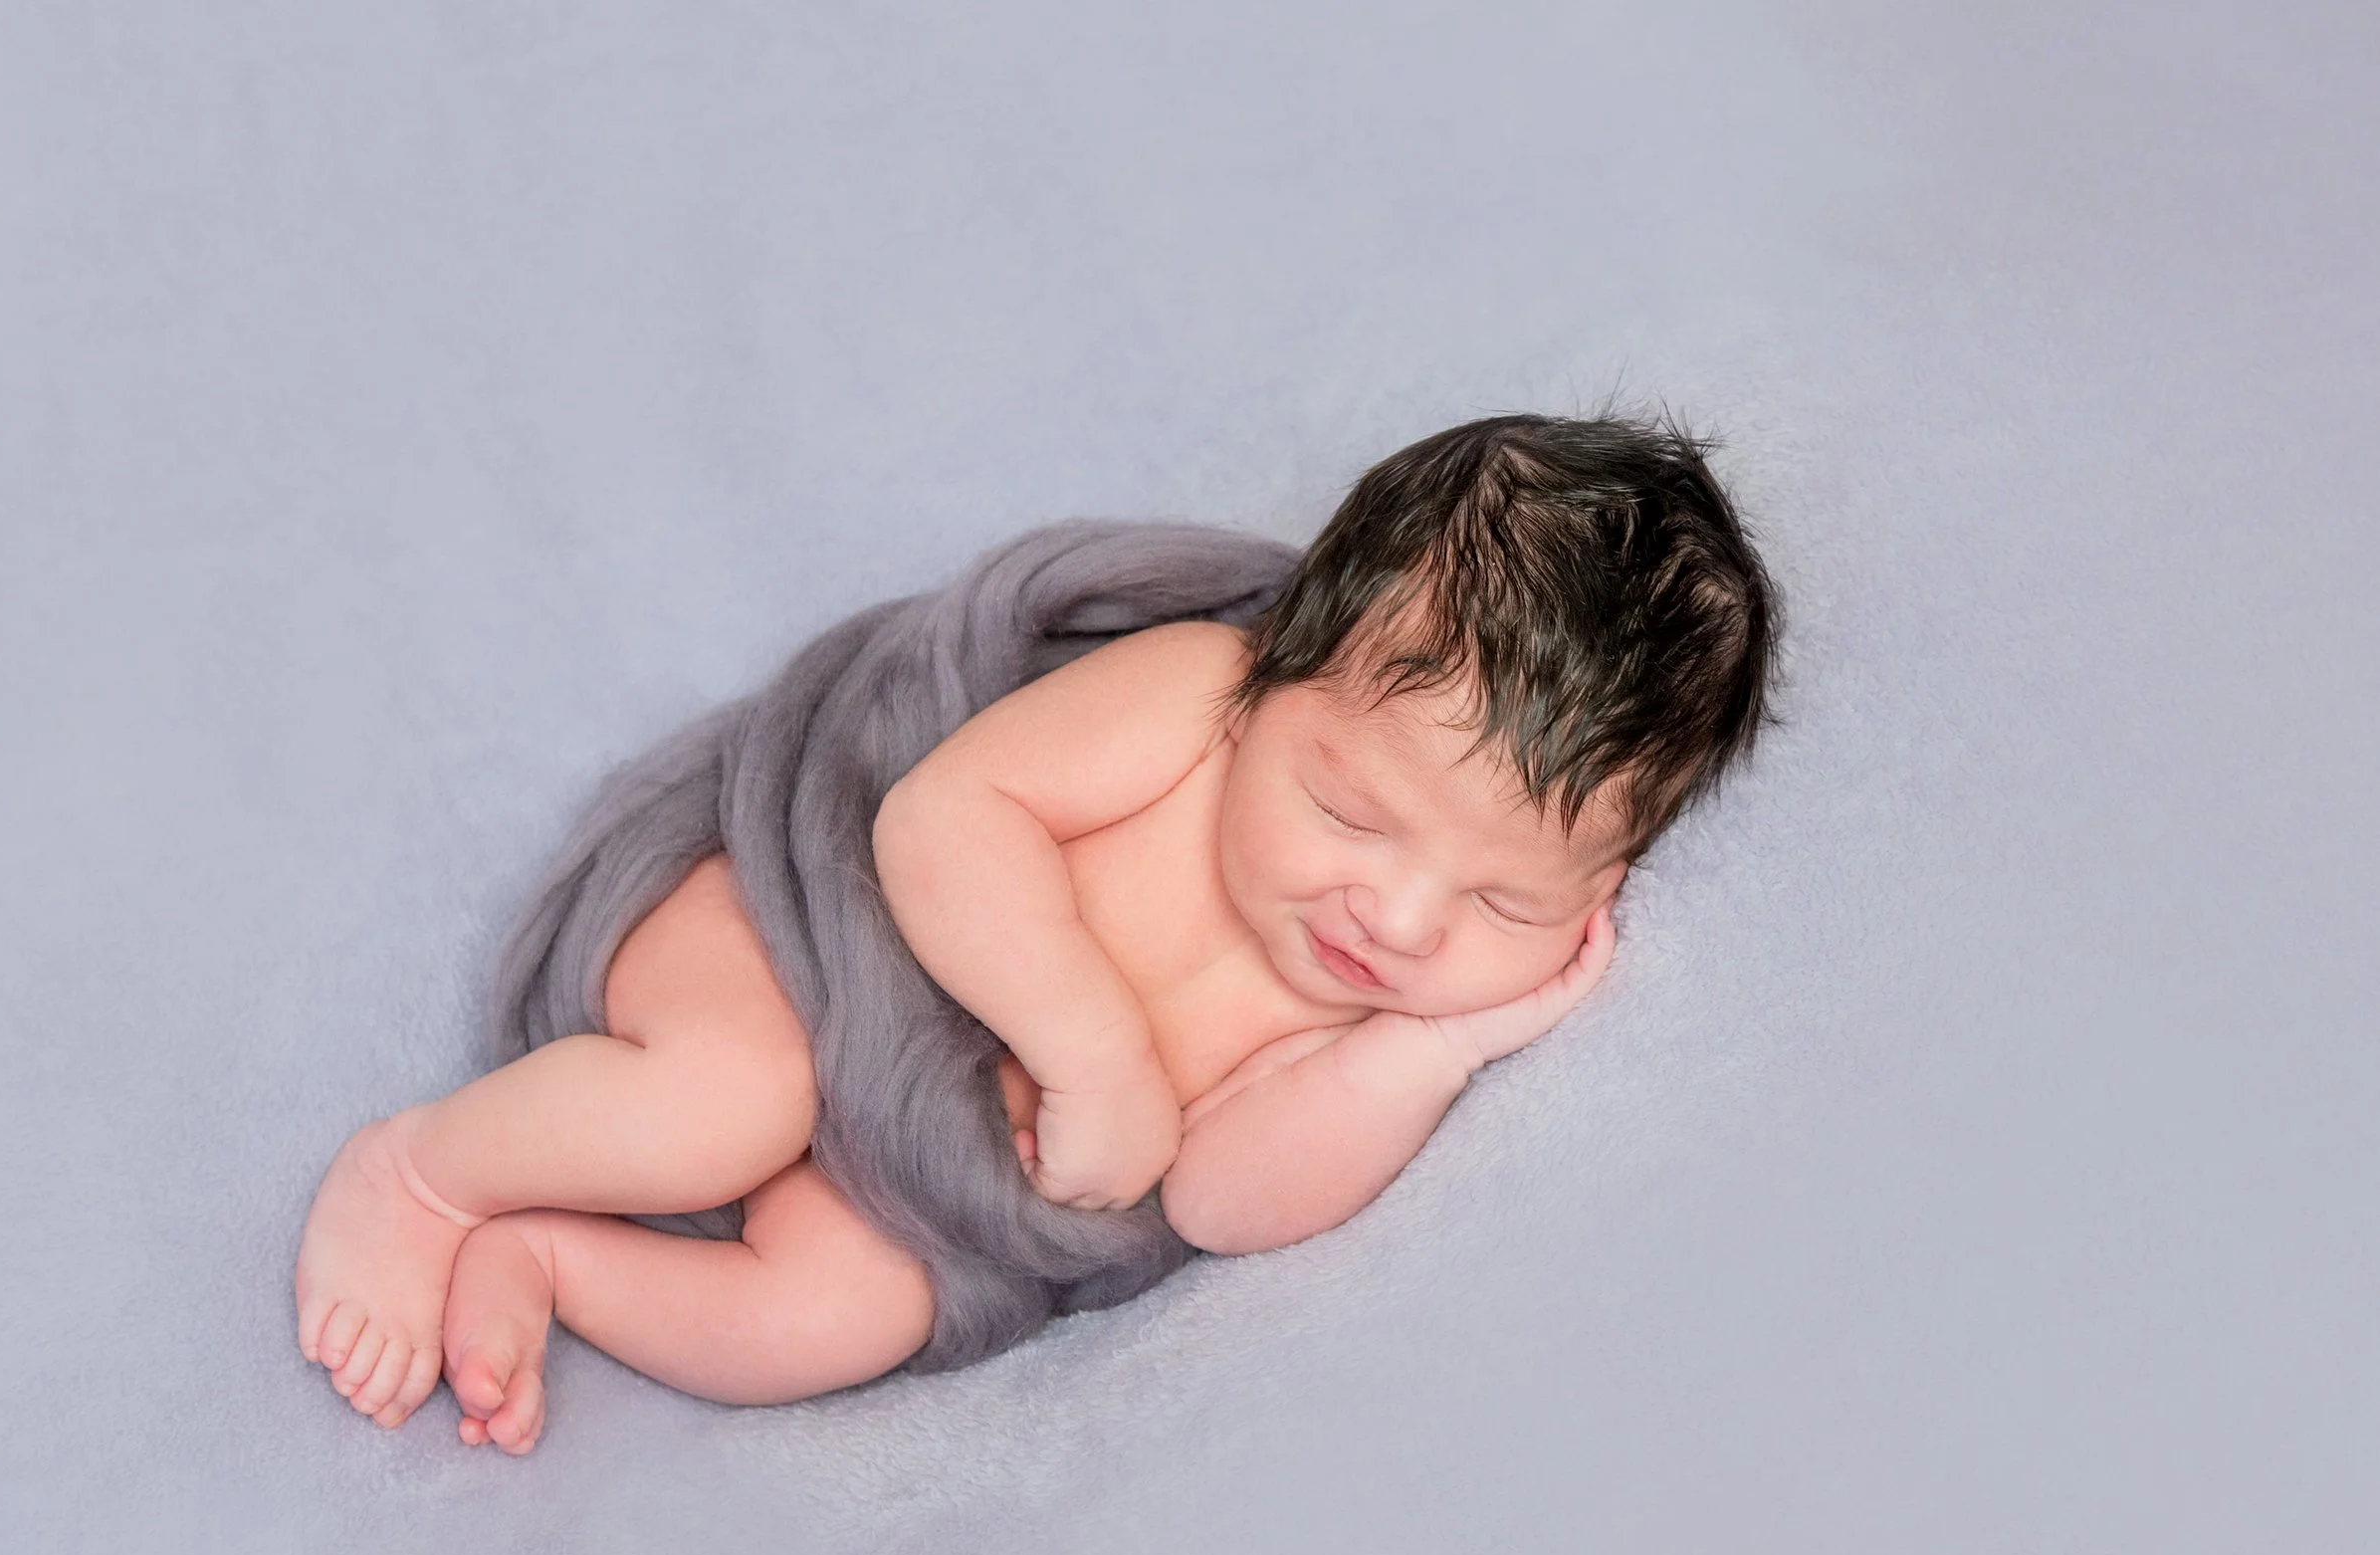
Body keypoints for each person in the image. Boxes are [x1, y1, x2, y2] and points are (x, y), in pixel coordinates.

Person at [293, 412, 1777, 1452]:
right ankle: (420, 1172)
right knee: (730, 1097)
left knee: (841, 1314)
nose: (1392, 917)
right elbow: (940, 819)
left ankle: (549, 1258)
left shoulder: (1373, 1001)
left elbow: (1215, 1200)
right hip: (791, 932)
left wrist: (1429, 1051)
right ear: (1287, 669)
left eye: (1503, 900)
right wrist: (1096, 1047)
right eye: (1350, 810)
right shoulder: (1199, 699)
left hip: (901, 1158)